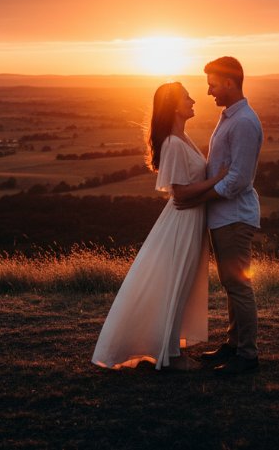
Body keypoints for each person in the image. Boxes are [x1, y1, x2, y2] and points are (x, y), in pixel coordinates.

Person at [92, 82, 227, 371]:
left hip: (191, 220)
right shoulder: (173, 143)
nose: (193, 101)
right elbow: (180, 193)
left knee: (181, 284)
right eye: (187, 97)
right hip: (182, 222)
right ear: (174, 106)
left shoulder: (182, 138)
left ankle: (169, 347)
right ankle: (171, 357)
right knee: (176, 284)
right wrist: (218, 179)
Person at [175, 56, 263, 375]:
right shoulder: (230, 117)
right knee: (231, 283)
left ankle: (247, 355)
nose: (208, 91)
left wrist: (199, 197)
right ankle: (233, 344)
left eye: (212, 84)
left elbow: (238, 179)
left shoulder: (244, 122)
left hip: (234, 217)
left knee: (238, 285)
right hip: (224, 216)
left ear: (229, 82)